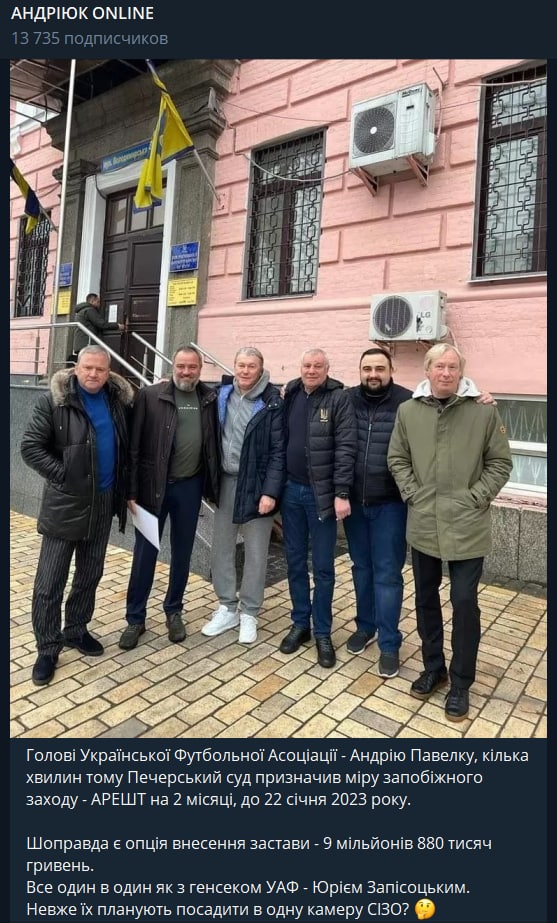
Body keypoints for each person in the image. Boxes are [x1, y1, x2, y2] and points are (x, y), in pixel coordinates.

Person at [387, 343, 512, 721]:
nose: (446, 373)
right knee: (425, 599)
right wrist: (413, 493)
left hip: (467, 524)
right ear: (427, 370)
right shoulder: (409, 411)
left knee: (463, 601)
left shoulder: (483, 411)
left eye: (453, 367)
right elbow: (397, 457)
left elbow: (500, 462)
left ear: (461, 372)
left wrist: (475, 498)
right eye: (439, 366)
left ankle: (460, 683)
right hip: (424, 521)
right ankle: (434, 668)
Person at [20, 345, 132, 686]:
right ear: (76, 368)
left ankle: (76, 629)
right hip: (65, 505)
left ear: (108, 372)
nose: (93, 374)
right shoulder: (55, 401)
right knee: (49, 582)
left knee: (89, 574)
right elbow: (30, 447)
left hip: (103, 503)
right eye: (88, 368)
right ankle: (47, 646)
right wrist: (64, 475)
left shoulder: (117, 401)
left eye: (100, 369)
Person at [118, 345, 220, 651]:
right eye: (181, 366)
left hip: (190, 488)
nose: (186, 372)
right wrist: (131, 491)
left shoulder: (209, 398)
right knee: (145, 553)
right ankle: (135, 618)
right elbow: (134, 447)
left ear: (200, 369)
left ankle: (174, 610)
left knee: (182, 553)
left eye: (192, 367)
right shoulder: (150, 396)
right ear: (172, 366)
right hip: (152, 489)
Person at [201, 347, 285, 644]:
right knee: (221, 548)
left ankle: (250, 611)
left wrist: (270, 492)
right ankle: (227, 607)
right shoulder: (220, 395)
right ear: (234, 366)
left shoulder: (272, 402)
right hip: (225, 483)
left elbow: (278, 452)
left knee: (256, 552)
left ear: (260, 369)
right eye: (241, 365)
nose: (245, 371)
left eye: (251, 366)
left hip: (257, 487)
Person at [278, 348, 357, 668]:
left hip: (321, 496)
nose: (311, 370)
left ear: (327, 369)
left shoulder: (339, 398)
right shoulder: (291, 393)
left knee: (323, 568)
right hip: (290, 492)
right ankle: (301, 623)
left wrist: (341, 492)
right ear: (300, 367)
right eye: (307, 365)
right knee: (295, 562)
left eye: (318, 366)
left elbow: (346, 447)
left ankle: (323, 631)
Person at [343, 346, 413, 678]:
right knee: (361, 569)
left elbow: (445, 407)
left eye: (379, 369)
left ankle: (389, 642)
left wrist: (479, 398)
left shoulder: (408, 402)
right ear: (360, 371)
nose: (373, 375)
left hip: (391, 504)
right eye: (367, 369)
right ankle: (365, 626)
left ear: (390, 371)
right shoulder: (346, 399)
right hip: (355, 503)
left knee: (387, 574)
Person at [70, 293, 124, 360]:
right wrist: (117, 326)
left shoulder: (81, 311)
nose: (99, 304)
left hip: (82, 344)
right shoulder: (89, 310)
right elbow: (101, 324)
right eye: (98, 302)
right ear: (92, 301)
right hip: (88, 344)